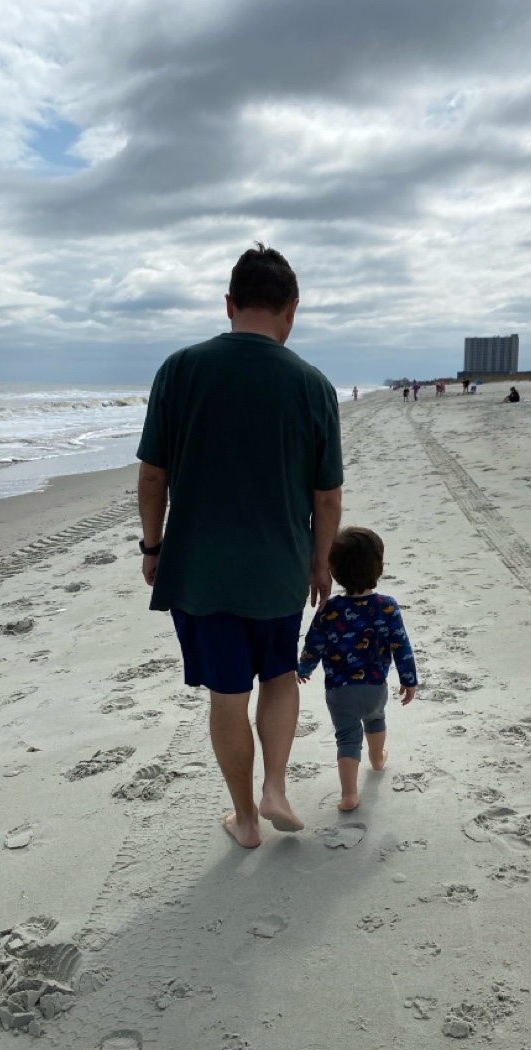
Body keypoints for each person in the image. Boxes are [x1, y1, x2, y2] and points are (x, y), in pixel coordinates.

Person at [136, 243, 343, 850]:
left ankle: (246, 819)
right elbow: (327, 497)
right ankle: (276, 786)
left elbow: (153, 476)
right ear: (292, 311)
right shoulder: (312, 385)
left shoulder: (179, 369)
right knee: (279, 674)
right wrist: (320, 558)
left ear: (229, 304)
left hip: (200, 570)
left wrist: (153, 546)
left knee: (228, 693)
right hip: (280, 566)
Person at [297, 527, 417, 812]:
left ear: (334, 571)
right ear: (380, 567)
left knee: (347, 738)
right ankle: (377, 759)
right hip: (376, 688)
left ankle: (349, 794)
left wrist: (304, 667)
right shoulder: (387, 606)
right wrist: (408, 679)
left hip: (340, 691)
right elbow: (401, 645)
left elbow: (315, 642)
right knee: (376, 721)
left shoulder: (329, 609)